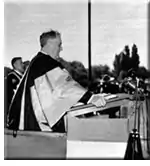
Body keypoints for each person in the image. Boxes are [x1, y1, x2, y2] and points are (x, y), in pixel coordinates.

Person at [7, 29, 106, 132]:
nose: (61, 48)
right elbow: (63, 86)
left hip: (22, 125)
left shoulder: (36, 62)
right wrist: (90, 98)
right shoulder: (45, 63)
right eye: (59, 45)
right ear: (50, 44)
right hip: (34, 129)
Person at [5, 57, 24, 127]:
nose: (23, 65)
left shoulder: (22, 76)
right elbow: (11, 95)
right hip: (15, 108)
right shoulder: (11, 77)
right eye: (21, 63)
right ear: (15, 65)